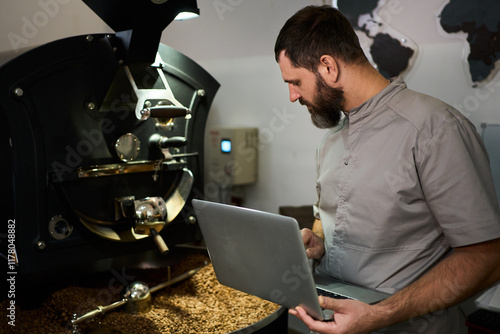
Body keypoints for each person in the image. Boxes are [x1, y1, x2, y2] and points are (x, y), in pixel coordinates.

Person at [274, 5, 500, 334]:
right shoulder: (330, 143)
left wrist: (382, 314)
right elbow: (328, 219)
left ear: (328, 67)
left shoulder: (435, 129)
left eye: (295, 82)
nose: (292, 96)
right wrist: (321, 242)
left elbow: (487, 258)